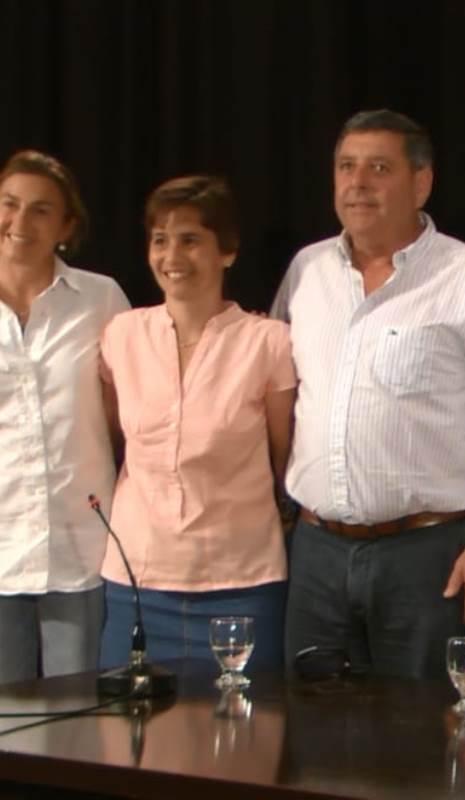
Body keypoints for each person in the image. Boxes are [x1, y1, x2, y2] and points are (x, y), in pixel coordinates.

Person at [272, 109, 465, 679]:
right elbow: (278, 400)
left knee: (424, 729)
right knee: (314, 729)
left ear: (421, 183)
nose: (357, 183)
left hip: (430, 556)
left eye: (379, 168)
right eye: (346, 167)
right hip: (316, 555)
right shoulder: (307, 271)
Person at [98, 175, 295, 671]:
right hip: (136, 582)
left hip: (242, 584)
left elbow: (284, 460)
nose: (172, 256)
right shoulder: (121, 334)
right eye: (159, 240)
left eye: (190, 240)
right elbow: (114, 441)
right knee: (128, 723)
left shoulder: (268, 341)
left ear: (227, 251)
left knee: (241, 721)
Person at [0, 150, 129, 682]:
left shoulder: (100, 298)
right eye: (9, 204)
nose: (20, 221)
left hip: (78, 547)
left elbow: (128, 413)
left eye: (41, 210)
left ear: (66, 227)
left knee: (77, 715)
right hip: (2, 546)